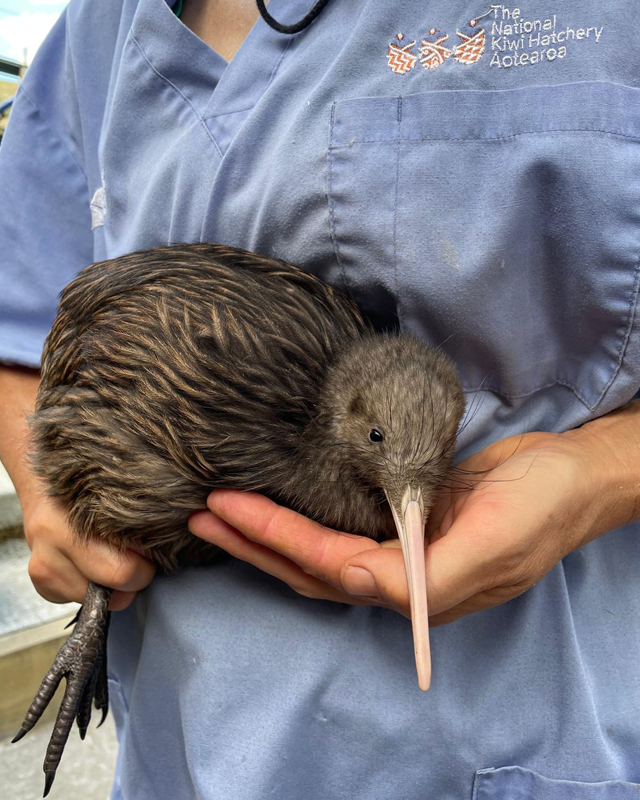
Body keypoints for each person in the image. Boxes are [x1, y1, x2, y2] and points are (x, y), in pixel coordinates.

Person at [1, 0, 640, 797]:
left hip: (531, 729)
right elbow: (19, 315)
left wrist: (598, 474)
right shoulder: (105, 23)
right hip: (179, 742)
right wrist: (59, 505)